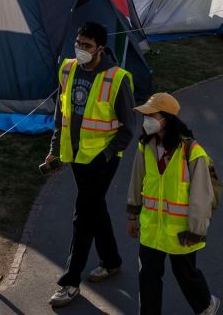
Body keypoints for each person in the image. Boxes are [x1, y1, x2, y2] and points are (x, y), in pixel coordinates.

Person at [44, 22, 136, 308]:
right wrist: (54, 150)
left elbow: (128, 128)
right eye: (78, 43)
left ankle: (70, 281)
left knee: (82, 216)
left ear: (101, 48)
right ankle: (111, 261)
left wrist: (107, 154)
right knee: (95, 209)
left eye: (86, 45)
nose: (80, 49)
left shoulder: (118, 78)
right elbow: (62, 112)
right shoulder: (68, 69)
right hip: (76, 156)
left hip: (102, 160)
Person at [127, 93, 220, 315]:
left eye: (151, 115)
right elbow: (136, 180)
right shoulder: (145, 146)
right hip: (151, 228)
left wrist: (196, 231)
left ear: (166, 118)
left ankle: (206, 305)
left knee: (185, 273)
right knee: (148, 274)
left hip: (181, 232)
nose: (146, 120)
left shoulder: (192, 151)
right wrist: (132, 214)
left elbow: (201, 196)